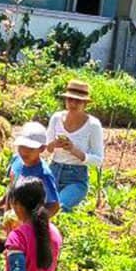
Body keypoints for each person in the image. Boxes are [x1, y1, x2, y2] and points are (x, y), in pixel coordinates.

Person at [0, 122, 61, 271]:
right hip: (9, 221)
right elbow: (12, 189)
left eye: (30, 148)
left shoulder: (44, 174)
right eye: (22, 146)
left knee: (15, 266)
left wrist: (29, 224)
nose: (24, 151)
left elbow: (54, 205)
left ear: (42, 148)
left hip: (26, 230)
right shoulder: (16, 162)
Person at [45, 79, 104, 212]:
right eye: (70, 99)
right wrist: (54, 144)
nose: (73, 103)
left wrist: (73, 150)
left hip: (76, 177)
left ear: (85, 104)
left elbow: (98, 160)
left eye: (78, 101)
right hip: (53, 170)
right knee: (37, 206)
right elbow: (45, 150)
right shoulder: (56, 118)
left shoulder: (93, 125)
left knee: (59, 208)